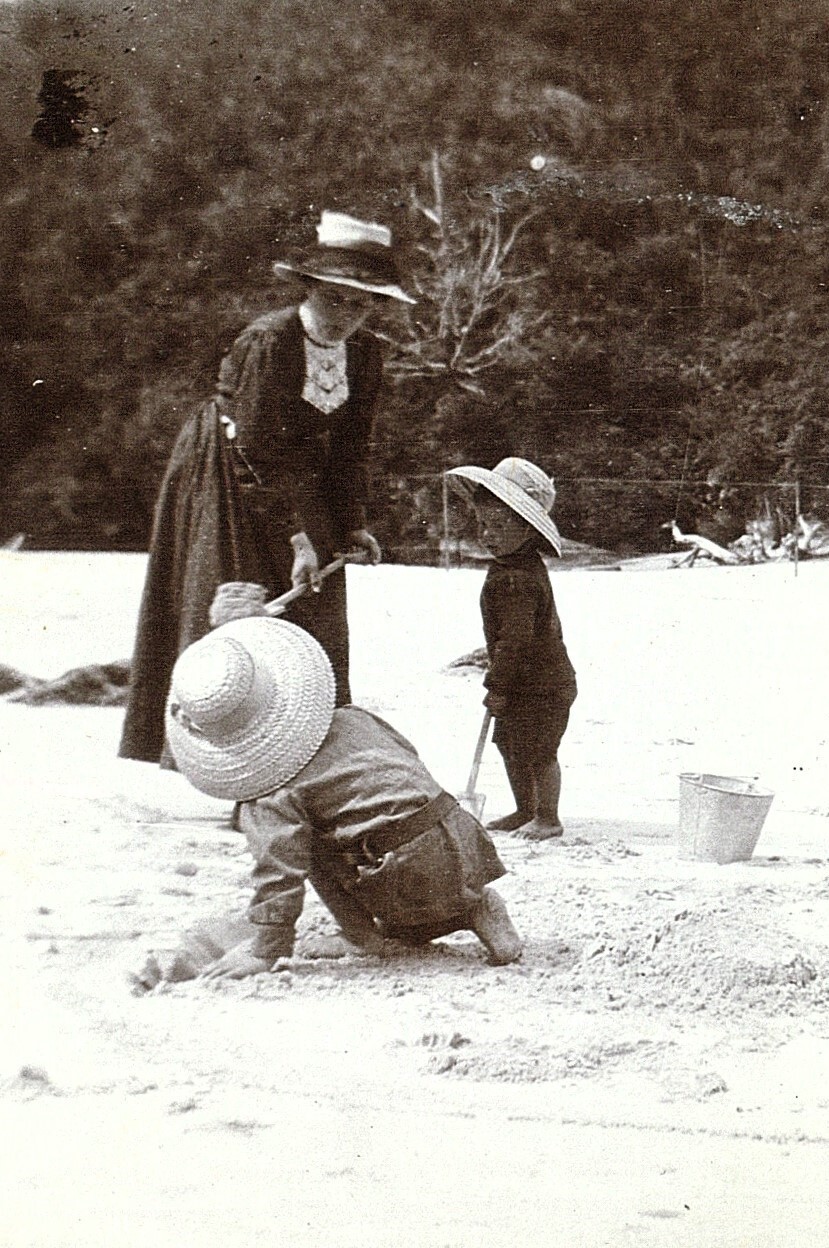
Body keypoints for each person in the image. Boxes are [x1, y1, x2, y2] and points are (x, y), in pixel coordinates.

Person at [119, 211, 414, 766]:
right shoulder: (270, 341)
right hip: (228, 472)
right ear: (311, 288)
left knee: (316, 606)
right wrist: (298, 538)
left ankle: (299, 754)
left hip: (302, 475)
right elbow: (255, 449)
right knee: (242, 604)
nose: (346, 316)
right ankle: (233, 760)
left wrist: (350, 522)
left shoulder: (367, 354)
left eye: (362, 303)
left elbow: (352, 447)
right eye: (336, 299)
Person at [132, 616, 522, 988]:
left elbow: (280, 870)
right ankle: (474, 907)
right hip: (463, 843)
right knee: (401, 900)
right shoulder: (355, 719)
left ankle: (360, 936)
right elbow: (408, 760)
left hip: (402, 871)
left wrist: (267, 950)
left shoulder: (271, 790)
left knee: (311, 846)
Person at [446, 457, 577, 841]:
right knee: (509, 742)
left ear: (527, 530)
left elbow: (515, 641)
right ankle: (526, 808)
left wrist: (497, 686)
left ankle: (548, 817)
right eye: (483, 524)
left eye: (500, 527)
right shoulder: (512, 564)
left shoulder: (517, 578)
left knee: (539, 748)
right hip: (526, 678)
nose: (487, 534)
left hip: (543, 683)